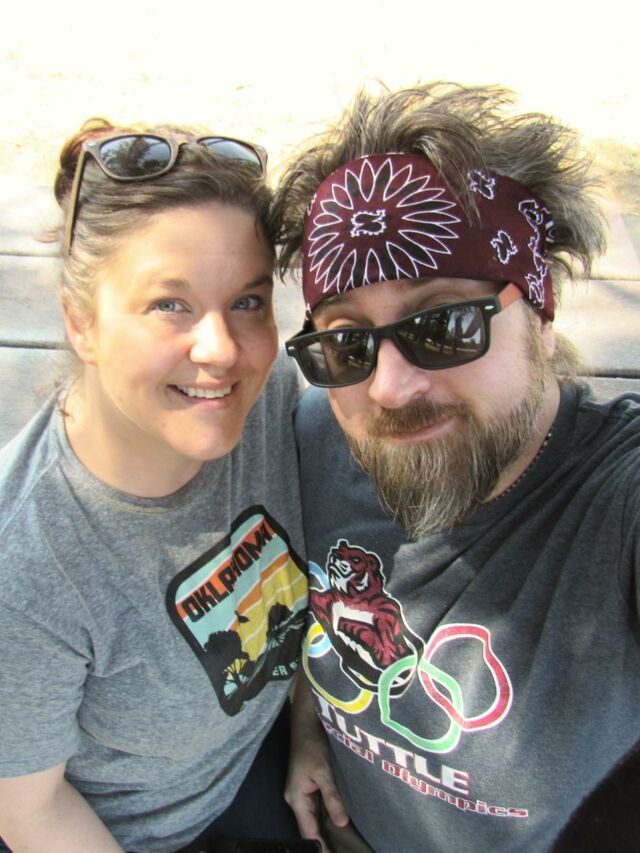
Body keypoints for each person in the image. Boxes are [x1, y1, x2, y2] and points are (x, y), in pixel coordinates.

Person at [271, 82, 640, 852]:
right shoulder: (314, 434)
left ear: (541, 311)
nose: (390, 387)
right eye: (346, 341)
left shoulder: (615, 508)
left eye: (443, 324)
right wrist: (307, 722)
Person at [0, 119, 308, 852]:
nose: (221, 350)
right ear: (81, 322)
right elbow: (30, 810)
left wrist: (311, 732)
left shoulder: (266, 399)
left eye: (248, 300)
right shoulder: (26, 565)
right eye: (170, 303)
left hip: (257, 769)